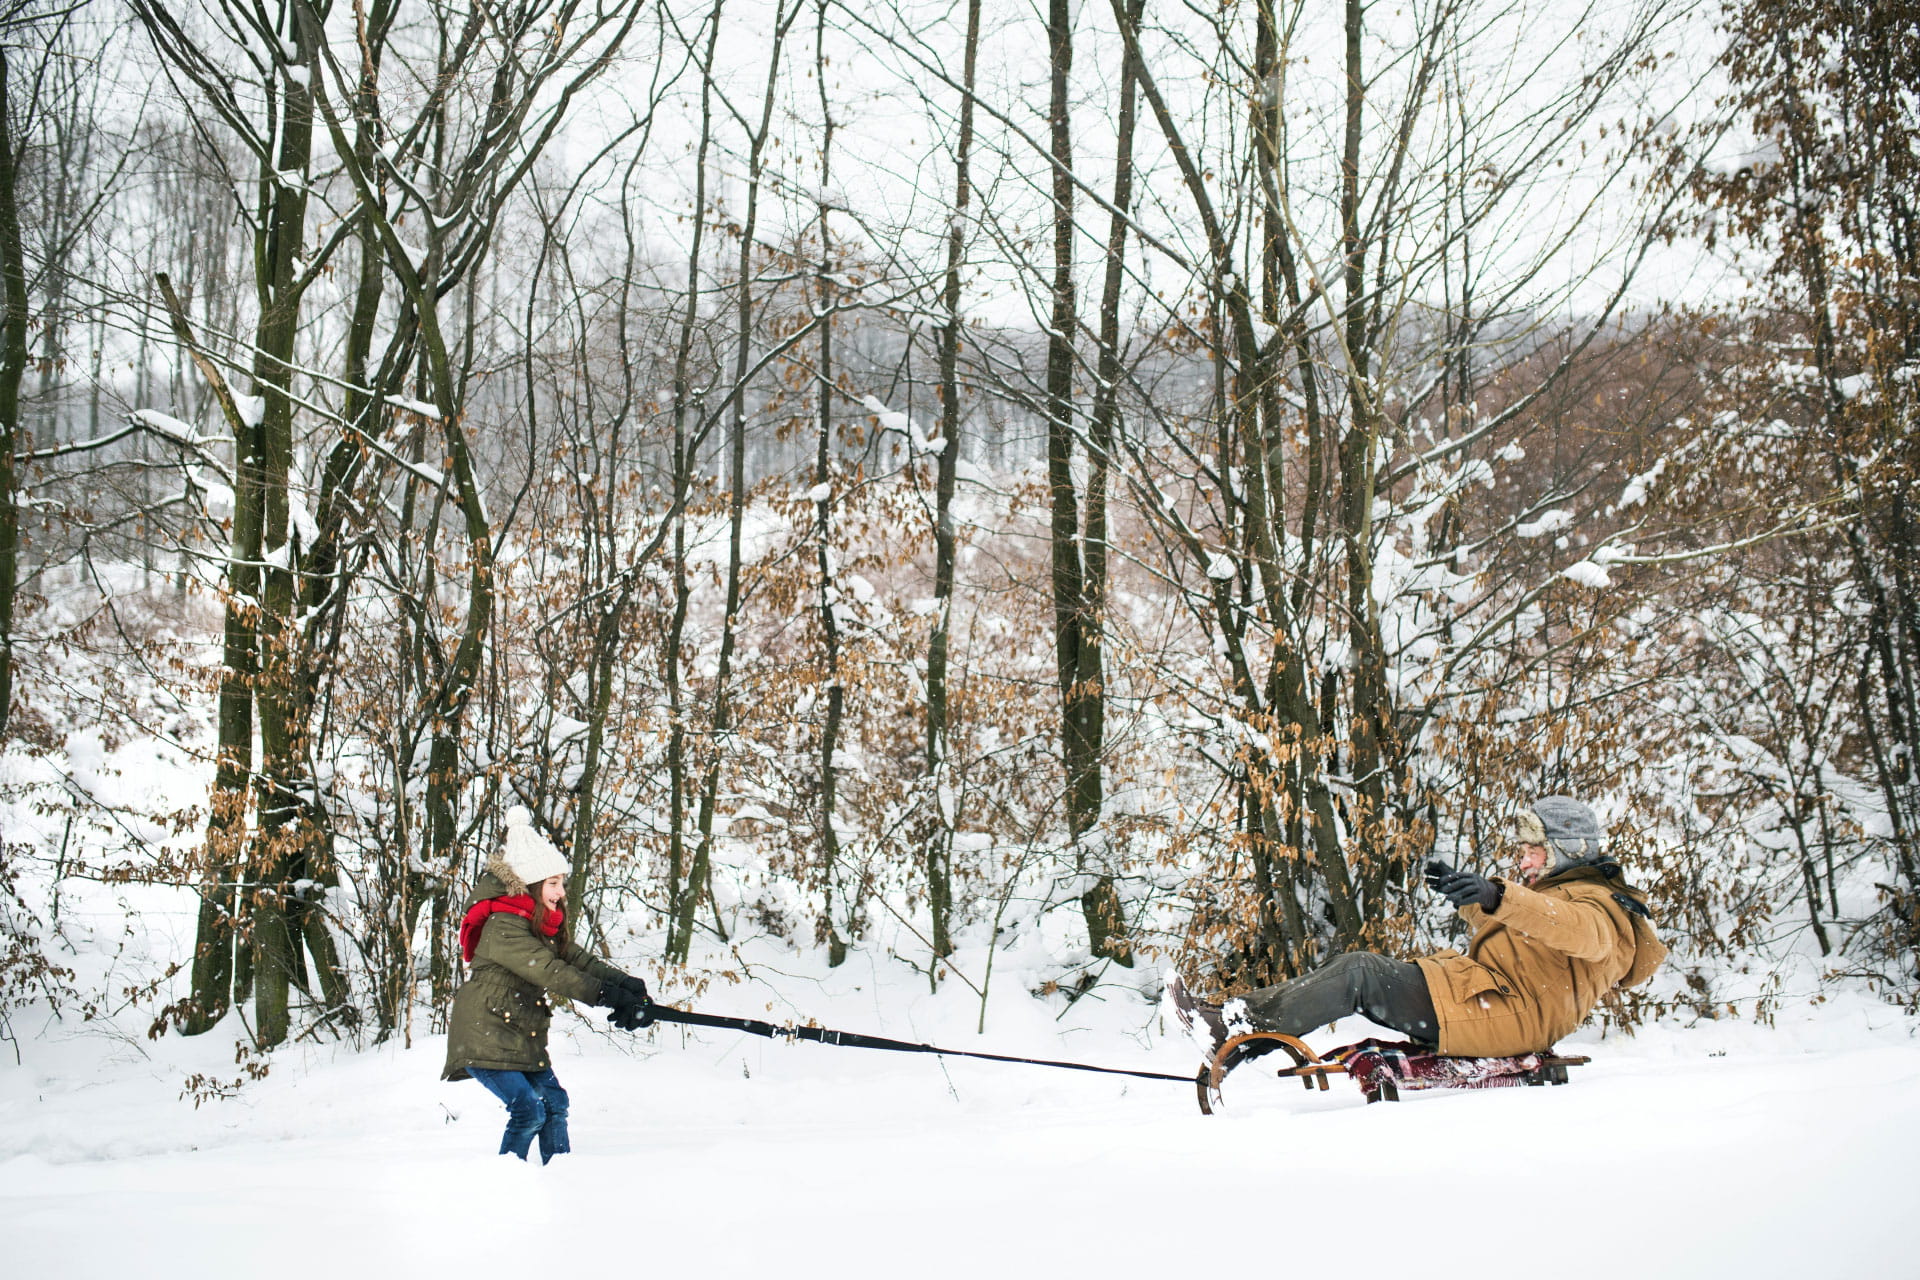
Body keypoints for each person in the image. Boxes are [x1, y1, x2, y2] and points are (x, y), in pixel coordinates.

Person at [1168, 795, 1666, 1061]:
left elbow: (1575, 931)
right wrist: (1466, 897)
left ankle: (1235, 1031)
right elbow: (1529, 932)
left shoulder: (1602, 906)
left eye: (1533, 850)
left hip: (1512, 1015)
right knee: (1357, 968)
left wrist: (1499, 896)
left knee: (1360, 974)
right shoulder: (1559, 896)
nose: (1524, 860)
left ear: (1568, 849)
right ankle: (1235, 1026)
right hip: (1493, 1000)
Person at [443, 805, 653, 1162]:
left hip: (517, 1031)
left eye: (561, 883)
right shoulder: (503, 926)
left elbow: (576, 958)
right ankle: (510, 1183)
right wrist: (607, 997)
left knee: (554, 1104)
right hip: (485, 1033)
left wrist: (626, 986)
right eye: (553, 884)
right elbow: (550, 971)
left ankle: (560, 1174)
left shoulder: (534, 923)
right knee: (529, 1110)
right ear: (531, 884)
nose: (560, 892)